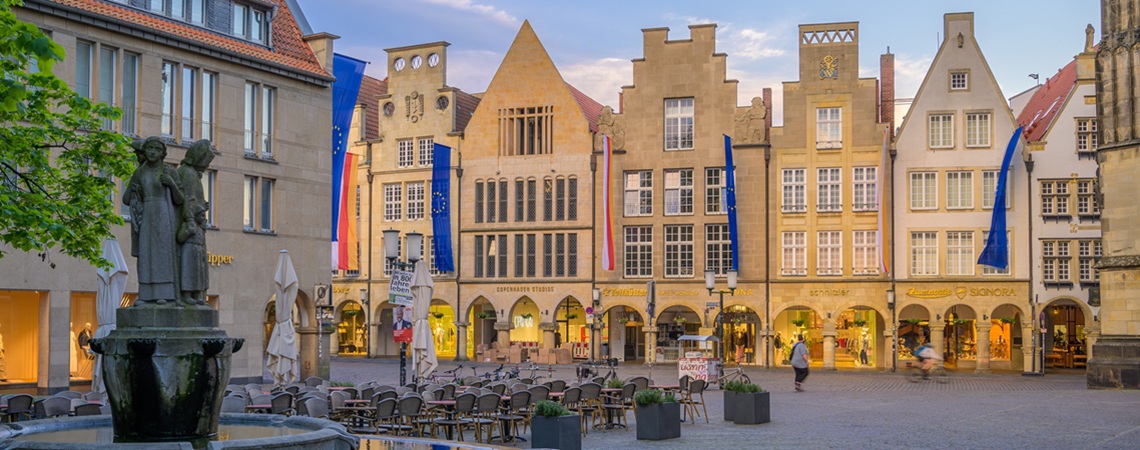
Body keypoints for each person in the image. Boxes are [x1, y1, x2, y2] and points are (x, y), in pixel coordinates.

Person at [123, 137, 184, 304]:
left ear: (162, 153)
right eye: (149, 148)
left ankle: (163, 293)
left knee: (162, 253)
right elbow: (126, 199)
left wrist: (171, 184)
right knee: (146, 253)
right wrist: (134, 190)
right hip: (146, 214)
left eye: (157, 149)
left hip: (164, 213)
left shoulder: (168, 171)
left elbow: (180, 199)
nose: (152, 152)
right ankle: (145, 294)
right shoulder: (140, 172)